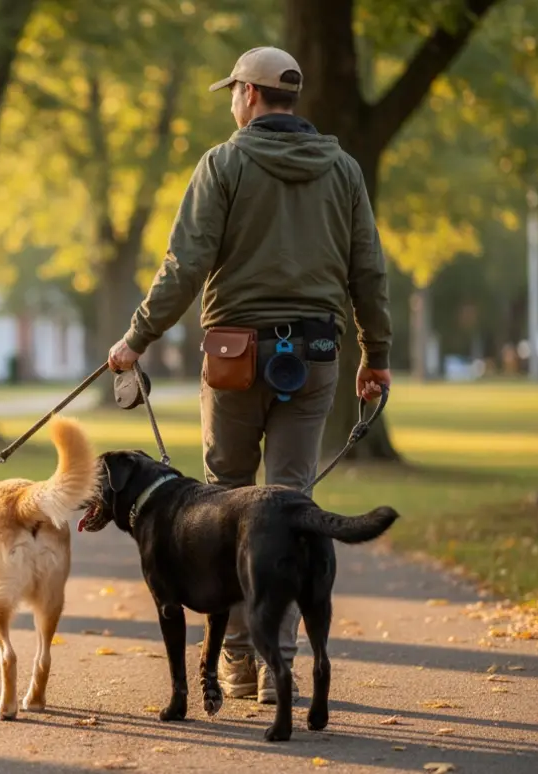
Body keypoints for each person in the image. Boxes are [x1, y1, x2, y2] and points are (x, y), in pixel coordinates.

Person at [106, 46, 393, 704]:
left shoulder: (224, 163)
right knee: (290, 503)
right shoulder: (343, 169)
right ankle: (277, 663)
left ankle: (236, 658)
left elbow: (185, 263)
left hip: (233, 357)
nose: (232, 101)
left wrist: (136, 337)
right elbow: (368, 270)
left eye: (233, 91)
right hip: (315, 355)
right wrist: (374, 354)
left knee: (226, 503)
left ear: (250, 95)